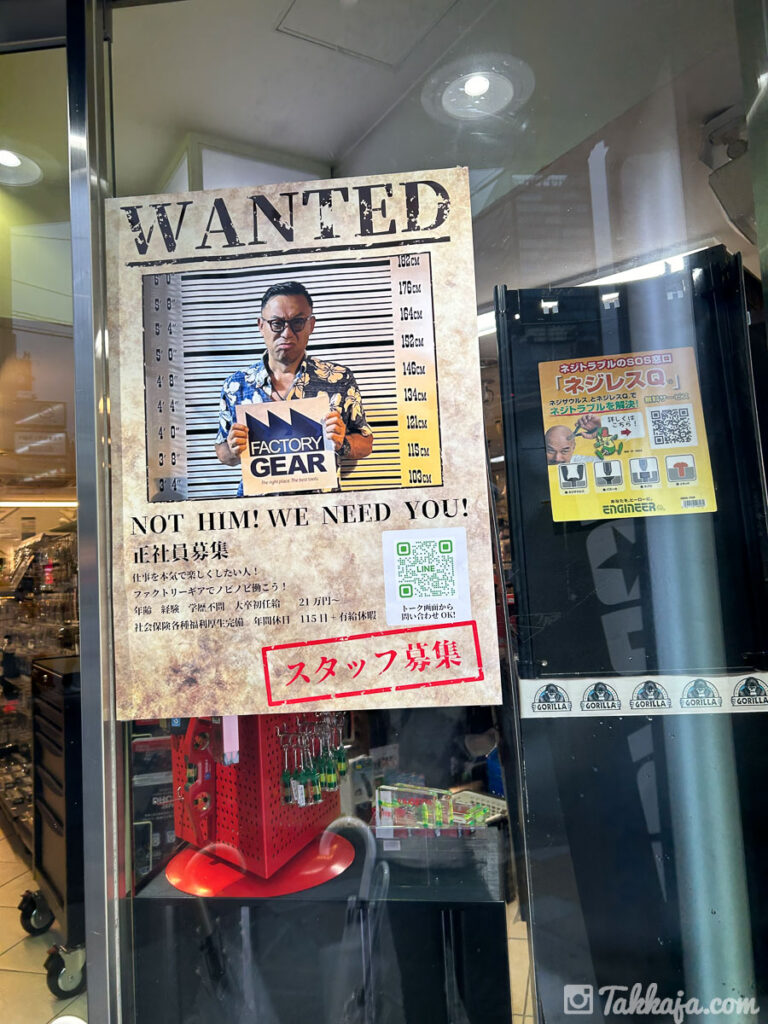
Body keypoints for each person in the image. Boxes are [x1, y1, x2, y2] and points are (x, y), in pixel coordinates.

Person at [216, 281, 373, 494]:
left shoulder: (339, 379)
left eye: (297, 322)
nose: (287, 333)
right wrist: (233, 448)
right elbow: (222, 452)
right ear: (261, 326)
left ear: (311, 325)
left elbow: (366, 442)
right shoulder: (236, 386)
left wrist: (342, 442)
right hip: (256, 509)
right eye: (277, 323)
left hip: (322, 509)